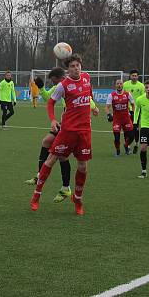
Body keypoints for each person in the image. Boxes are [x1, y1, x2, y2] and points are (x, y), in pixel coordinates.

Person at [30, 54, 93, 215]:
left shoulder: (87, 78)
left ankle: (77, 198)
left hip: (85, 131)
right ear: (68, 69)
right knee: (51, 159)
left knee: (83, 166)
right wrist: (52, 120)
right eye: (72, 66)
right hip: (68, 130)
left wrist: (92, 107)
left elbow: (88, 95)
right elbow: (50, 102)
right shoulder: (63, 85)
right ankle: (36, 195)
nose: (76, 68)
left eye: (77, 65)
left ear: (81, 66)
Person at [24, 71, 100, 203]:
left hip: (74, 126)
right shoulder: (60, 85)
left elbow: (86, 98)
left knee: (60, 155)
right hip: (65, 123)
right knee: (47, 142)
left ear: (60, 77)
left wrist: (94, 107)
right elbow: (49, 98)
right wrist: (41, 88)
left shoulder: (74, 83)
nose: (53, 83)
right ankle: (45, 178)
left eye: (54, 81)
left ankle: (63, 187)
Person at [106, 79, 136, 156]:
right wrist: (108, 114)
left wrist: (132, 112)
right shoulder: (111, 95)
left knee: (132, 136)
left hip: (126, 118)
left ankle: (126, 145)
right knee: (116, 138)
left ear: (123, 85)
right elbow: (107, 107)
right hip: (117, 119)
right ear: (115, 85)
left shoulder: (127, 94)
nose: (119, 85)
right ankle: (118, 151)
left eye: (120, 84)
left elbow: (133, 104)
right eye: (117, 84)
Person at [123, 69, 146, 153]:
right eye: (133, 75)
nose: (134, 77)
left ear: (138, 77)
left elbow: (143, 98)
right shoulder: (125, 85)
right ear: (130, 76)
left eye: (136, 76)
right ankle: (127, 145)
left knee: (136, 128)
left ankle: (136, 144)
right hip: (126, 110)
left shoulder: (141, 86)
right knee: (127, 128)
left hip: (137, 111)